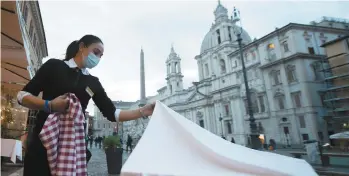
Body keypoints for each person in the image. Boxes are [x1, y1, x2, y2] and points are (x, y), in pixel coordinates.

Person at [18, 34, 155, 176]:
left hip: (73, 147)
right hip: (43, 142)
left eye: (101, 56)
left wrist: (143, 111)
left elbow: (113, 113)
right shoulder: (54, 66)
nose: (98, 58)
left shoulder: (93, 82)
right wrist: (49, 105)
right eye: (96, 52)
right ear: (82, 47)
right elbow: (22, 96)